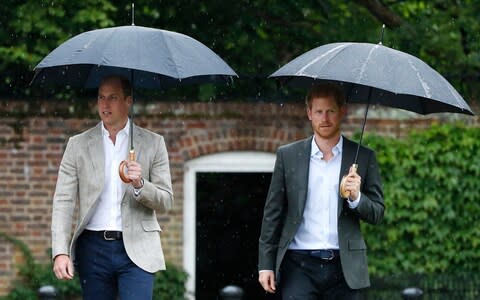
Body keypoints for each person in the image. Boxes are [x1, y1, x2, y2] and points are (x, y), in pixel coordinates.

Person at [51, 75, 174, 300]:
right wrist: (60, 251)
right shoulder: (77, 145)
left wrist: (140, 184)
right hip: (93, 249)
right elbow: (63, 201)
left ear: (128, 101)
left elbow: (166, 200)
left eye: (113, 97)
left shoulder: (153, 143)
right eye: (101, 98)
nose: (105, 105)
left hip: (138, 248)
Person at [258, 82, 384, 299]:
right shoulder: (288, 156)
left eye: (331, 111)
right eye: (319, 111)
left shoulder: (363, 157)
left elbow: (377, 212)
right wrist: (265, 265)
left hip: (345, 267)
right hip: (299, 265)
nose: (324, 118)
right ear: (309, 113)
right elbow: (273, 214)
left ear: (342, 111)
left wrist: (357, 198)